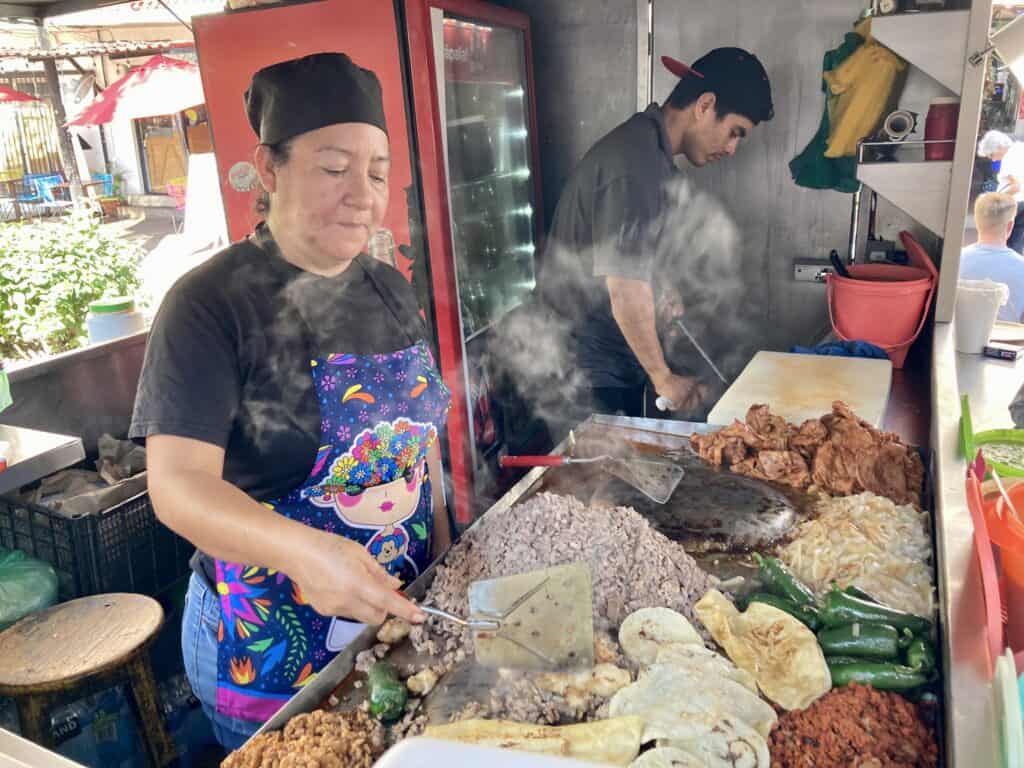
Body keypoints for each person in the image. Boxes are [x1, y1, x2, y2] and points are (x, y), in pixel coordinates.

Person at [129, 53, 449, 749]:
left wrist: (451, 553)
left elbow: (417, 443)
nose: (363, 195)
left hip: (395, 608)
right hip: (267, 641)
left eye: (376, 171)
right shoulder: (208, 305)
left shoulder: (387, 286)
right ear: (269, 169)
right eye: (335, 168)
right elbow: (177, 488)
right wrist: (305, 553)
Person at [537, 48, 773, 420]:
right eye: (734, 132)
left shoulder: (652, 157)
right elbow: (625, 287)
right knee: (603, 476)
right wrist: (664, 378)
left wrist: (661, 284)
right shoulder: (635, 165)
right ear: (705, 104)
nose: (731, 148)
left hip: (607, 360)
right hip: (583, 373)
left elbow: (626, 255)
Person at [961, 191, 1024, 322]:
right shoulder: (1021, 267)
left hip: (960, 339)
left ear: (977, 221)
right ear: (1010, 226)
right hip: (1006, 341)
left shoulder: (956, 260)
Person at [978, 130, 1024, 252]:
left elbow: (1016, 186)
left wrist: (996, 196)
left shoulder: (1009, 158)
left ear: (998, 147)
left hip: (1014, 203)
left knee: (1001, 241)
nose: (993, 159)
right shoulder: (1020, 149)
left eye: (991, 155)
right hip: (1022, 202)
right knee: (1017, 241)